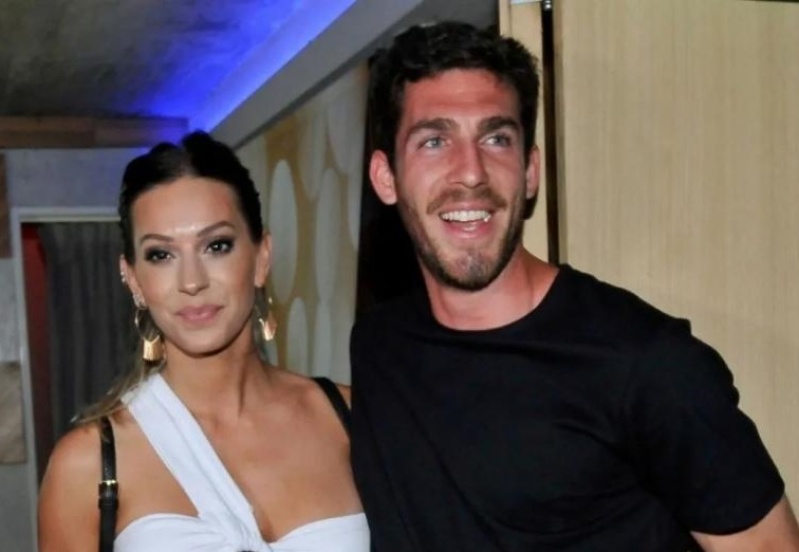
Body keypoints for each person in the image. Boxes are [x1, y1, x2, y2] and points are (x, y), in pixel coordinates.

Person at [350, 21, 799, 551]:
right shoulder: (379, 347)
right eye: (434, 141)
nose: (471, 172)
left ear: (530, 171)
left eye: (496, 139)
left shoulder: (646, 364)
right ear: (386, 177)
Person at [38, 131, 369, 552]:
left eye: (217, 245)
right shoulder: (86, 465)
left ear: (262, 257)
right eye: (161, 255)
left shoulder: (350, 418)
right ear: (134, 279)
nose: (192, 281)